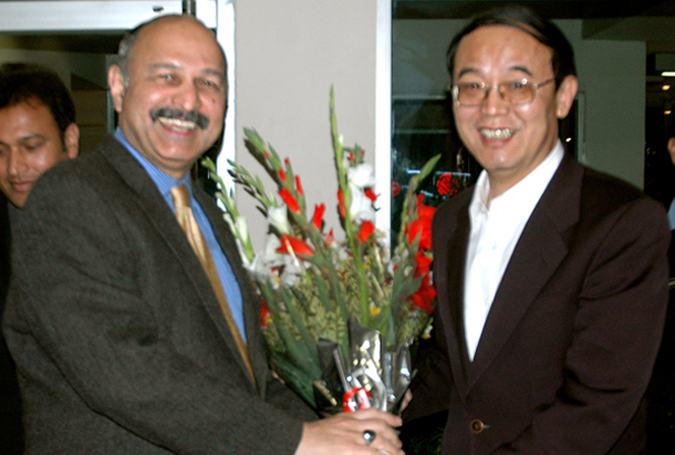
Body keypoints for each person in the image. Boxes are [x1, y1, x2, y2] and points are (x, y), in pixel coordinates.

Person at [2, 14, 404, 455]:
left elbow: (247, 384)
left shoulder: (205, 212)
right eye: (166, 76)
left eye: (209, 83)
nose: (188, 100)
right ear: (118, 87)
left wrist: (353, 432)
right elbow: (125, 372)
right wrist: (299, 440)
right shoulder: (70, 196)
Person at [402, 6, 669, 454]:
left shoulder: (622, 223)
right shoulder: (451, 219)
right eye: (472, 86)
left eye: (518, 84)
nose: (491, 105)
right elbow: (457, 363)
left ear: (563, 97)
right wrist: (372, 410)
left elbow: (596, 406)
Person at [0, 62, 80, 455]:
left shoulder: (115, 226)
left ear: (71, 140)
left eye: (32, 147)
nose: (15, 168)